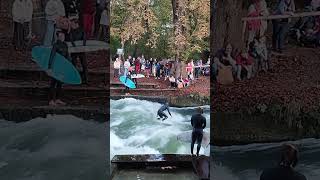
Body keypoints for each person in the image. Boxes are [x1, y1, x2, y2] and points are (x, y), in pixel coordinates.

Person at [48, 30, 69, 106]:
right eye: (60, 36)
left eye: (63, 36)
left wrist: (69, 66)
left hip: (62, 67)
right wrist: (50, 67)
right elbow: (52, 56)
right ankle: (51, 100)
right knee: (53, 83)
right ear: (58, 37)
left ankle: (58, 99)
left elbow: (67, 56)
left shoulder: (65, 45)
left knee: (60, 83)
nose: (62, 37)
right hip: (55, 66)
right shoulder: (55, 45)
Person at [66, 16, 88, 84]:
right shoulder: (71, 31)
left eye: (72, 24)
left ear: (76, 24)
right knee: (73, 64)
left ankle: (85, 78)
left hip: (81, 49)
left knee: (84, 64)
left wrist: (82, 46)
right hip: (74, 50)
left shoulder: (82, 30)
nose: (71, 25)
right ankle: (72, 78)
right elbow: (71, 39)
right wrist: (75, 47)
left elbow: (84, 39)